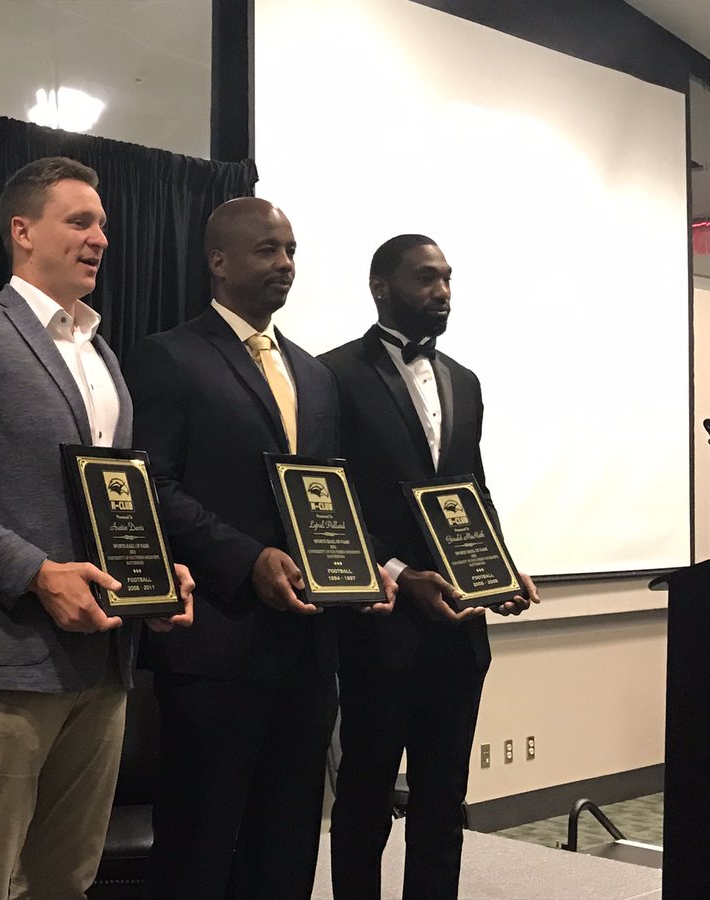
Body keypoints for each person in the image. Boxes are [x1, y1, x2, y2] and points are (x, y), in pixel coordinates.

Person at [0, 156, 193, 900]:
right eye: (80, 221)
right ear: (22, 232)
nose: (99, 238)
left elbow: (114, 498)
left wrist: (160, 571)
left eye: (103, 226)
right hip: (7, 665)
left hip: (104, 666)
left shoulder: (101, 354)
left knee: (66, 878)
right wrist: (34, 571)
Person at [123, 197, 394, 899]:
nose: (285, 265)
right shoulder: (169, 357)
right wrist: (246, 559)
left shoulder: (313, 374)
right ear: (218, 262)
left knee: (289, 841)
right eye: (267, 250)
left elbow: (328, 494)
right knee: (200, 845)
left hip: (307, 651)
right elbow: (151, 483)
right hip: (218, 646)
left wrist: (361, 567)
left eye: (292, 250)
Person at [320, 234, 540, 900]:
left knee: (445, 801)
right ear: (380, 287)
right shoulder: (330, 374)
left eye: (447, 279)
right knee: (364, 797)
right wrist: (392, 570)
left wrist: (499, 570)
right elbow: (330, 499)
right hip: (379, 623)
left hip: (458, 630)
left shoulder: (465, 381)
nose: (442, 291)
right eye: (426, 279)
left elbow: (471, 489)